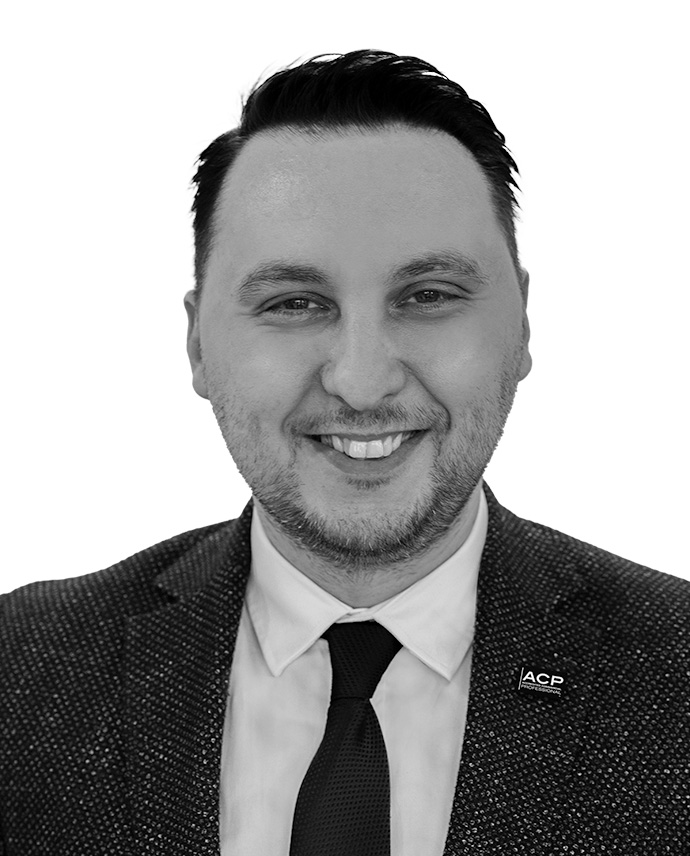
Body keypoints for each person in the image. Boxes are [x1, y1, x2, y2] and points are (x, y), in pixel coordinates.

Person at [1, 49, 688, 856]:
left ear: (523, 324)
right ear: (197, 343)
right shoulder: (21, 668)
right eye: (295, 303)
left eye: (428, 296)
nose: (362, 383)